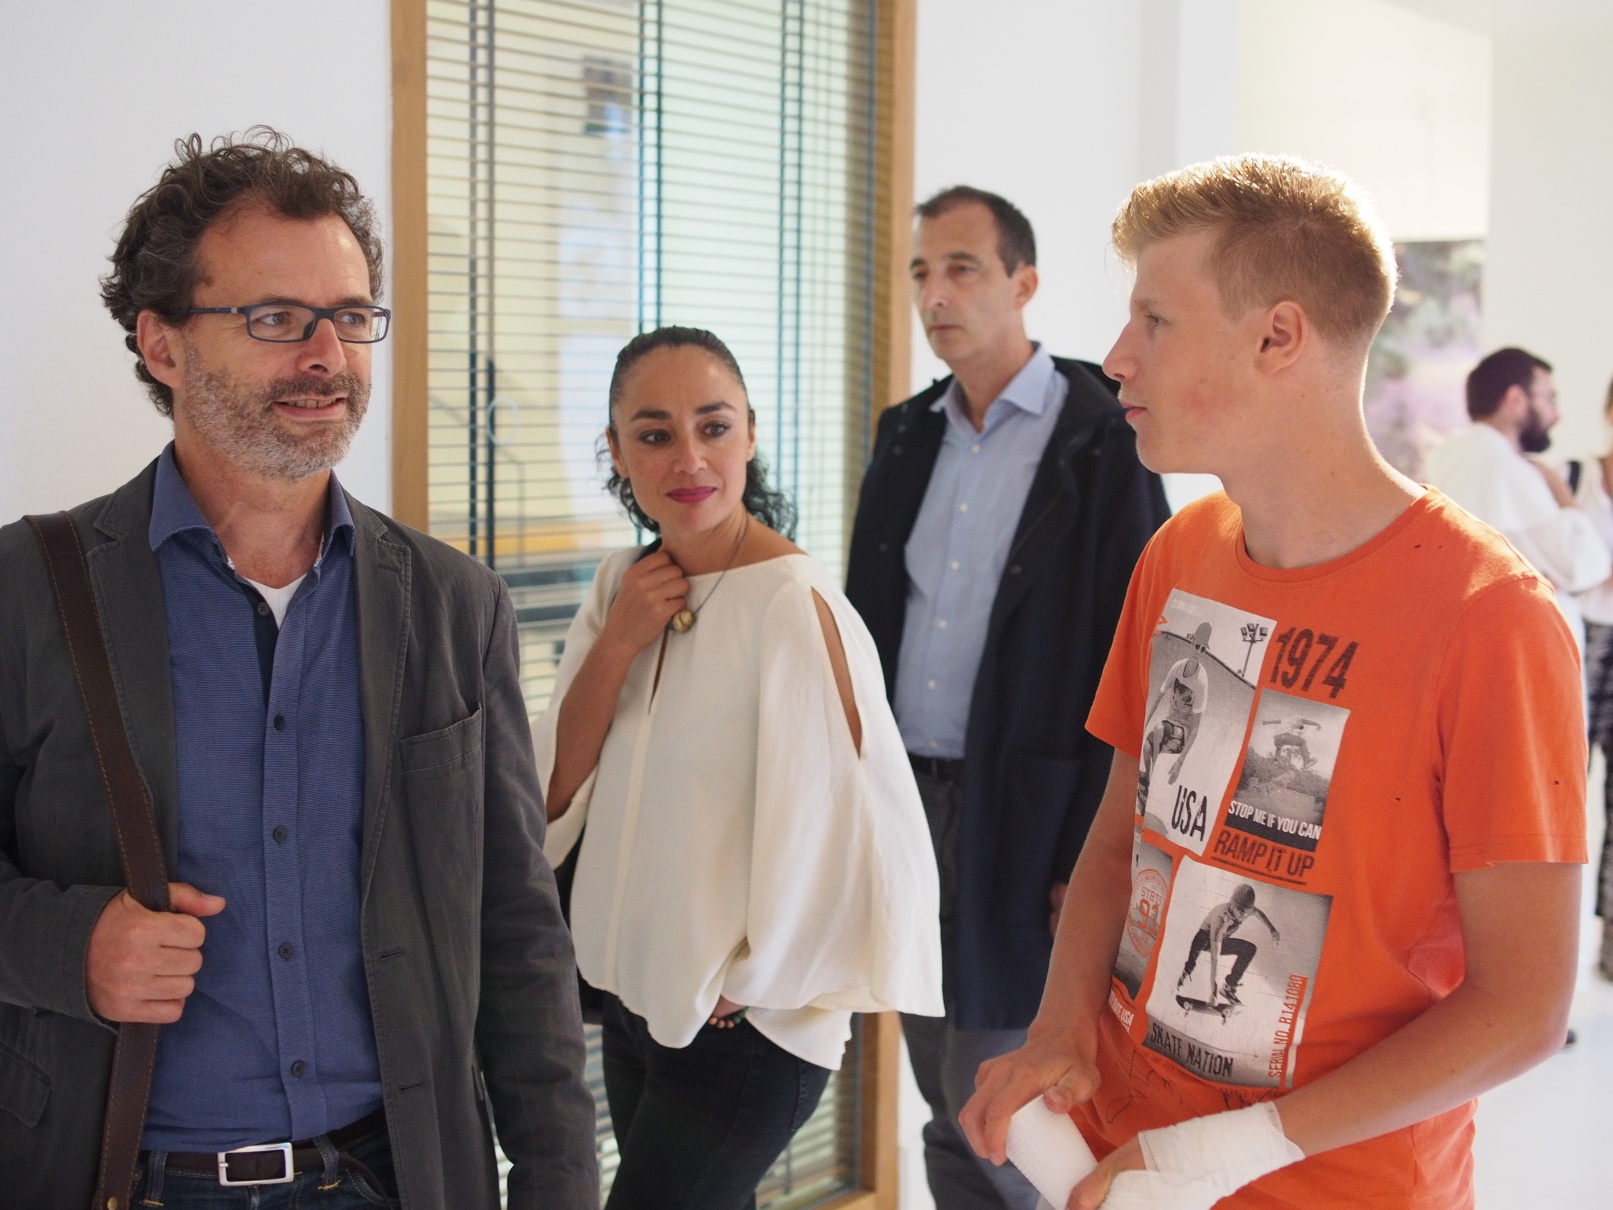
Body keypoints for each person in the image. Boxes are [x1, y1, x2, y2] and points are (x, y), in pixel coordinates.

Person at [959, 155, 1585, 1210]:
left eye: (1154, 320)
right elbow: (1121, 835)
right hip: (1119, 1161)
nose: (1115, 358)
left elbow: (1521, 1007)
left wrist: (1223, 1155)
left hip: (1330, 1186)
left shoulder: (1492, 617)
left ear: (1277, 337)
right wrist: (1060, 1026)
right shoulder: (1178, 552)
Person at [0, 131, 597, 1209]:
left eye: (351, 317)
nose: (328, 355)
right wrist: (66, 945)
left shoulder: (455, 607)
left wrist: (558, 1185)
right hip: (126, 1180)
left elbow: (517, 937)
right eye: (276, 318)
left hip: (387, 1179)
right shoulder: (28, 587)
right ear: (162, 344)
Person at [534, 326, 942, 1210]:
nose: (688, 458)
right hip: (637, 1000)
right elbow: (555, 788)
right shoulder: (620, 584)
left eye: (713, 427)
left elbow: (853, 828)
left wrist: (754, 984)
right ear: (617, 452)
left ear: (749, 434)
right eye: (654, 434)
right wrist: (620, 639)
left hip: (744, 1028)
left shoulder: (792, 603)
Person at [846, 186, 1168, 1210]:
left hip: (1030, 814)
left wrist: (1089, 851)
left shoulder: (1100, 435)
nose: (934, 295)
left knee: (1002, 1105)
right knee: (940, 1093)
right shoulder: (906, 434)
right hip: (906, 800)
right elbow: (865, 621)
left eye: (962, 268)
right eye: (920, 273)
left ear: (1024, 283)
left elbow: (1139, 654)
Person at [1424, 347, 1610, 643]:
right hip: (1523, 640)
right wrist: (1563, 495)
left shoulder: (1444, 458)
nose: (1557, 415)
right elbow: (1584, 566)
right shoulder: (1508, 471)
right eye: (1550, 399)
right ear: (1516, 399)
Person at [1567, 374, 1613, 979]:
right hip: (1577, 638)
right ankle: (1547, 959)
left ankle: (1610, 954)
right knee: (1560, 795)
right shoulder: (1572, 476)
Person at [1137, 623, 1212, 813]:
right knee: (1146, 748)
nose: (1198, 651)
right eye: (1197, 646)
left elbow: (1196, 728)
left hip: (1183, 734)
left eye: (1203, 649)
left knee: (1160, 729)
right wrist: (1142, 729)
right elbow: (1157, 699)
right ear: (1192, 642)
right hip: (1168, 725)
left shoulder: (1201, 682)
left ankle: (1148, 787)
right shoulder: (1178, 667)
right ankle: (1146, 783)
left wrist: (1180, 762)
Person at [1174, 884, 1280, 1010]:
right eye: (1240, 913)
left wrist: (1272, 929)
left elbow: (1257, 912)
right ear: (1232, 906)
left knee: (1249, 949)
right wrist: (1213, 992)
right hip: (1206, 939)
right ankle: (1185, 974)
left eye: (1246, 914)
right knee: (1193, 960)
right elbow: (1215, 959)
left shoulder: (1244, 910)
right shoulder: (1220, 918)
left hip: (1222, 939)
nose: (1243, 917)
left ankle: (1228, 988)